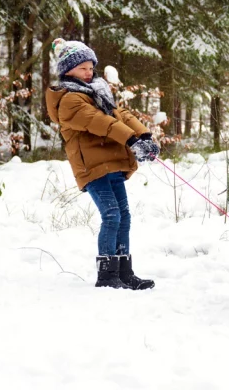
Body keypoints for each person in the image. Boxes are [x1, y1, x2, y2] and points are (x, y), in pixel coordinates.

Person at [46, 38, 160, 290]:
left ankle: (124, 272)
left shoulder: (97, 91)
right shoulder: (68, 100)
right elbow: (101, 123)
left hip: (112, 163)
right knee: (111, 215)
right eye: (82, 68)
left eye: (90, 67)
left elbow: (119, 115)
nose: (88, 72)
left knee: (124, 217)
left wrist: (144, 136)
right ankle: (107, 275)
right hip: (92, 167)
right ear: (68, 70)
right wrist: (130, 140)